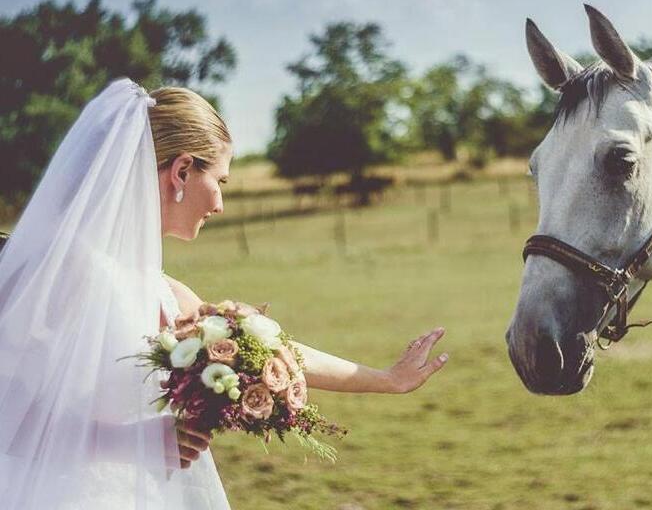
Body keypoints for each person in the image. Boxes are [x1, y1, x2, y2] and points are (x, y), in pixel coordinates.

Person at [0, 79, 447, 509]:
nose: (219, 205)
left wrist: (386, 379)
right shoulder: (66, 271)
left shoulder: (162, 290)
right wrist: (131, 441)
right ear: (182, 171)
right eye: (221, 181)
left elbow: (272, 353)